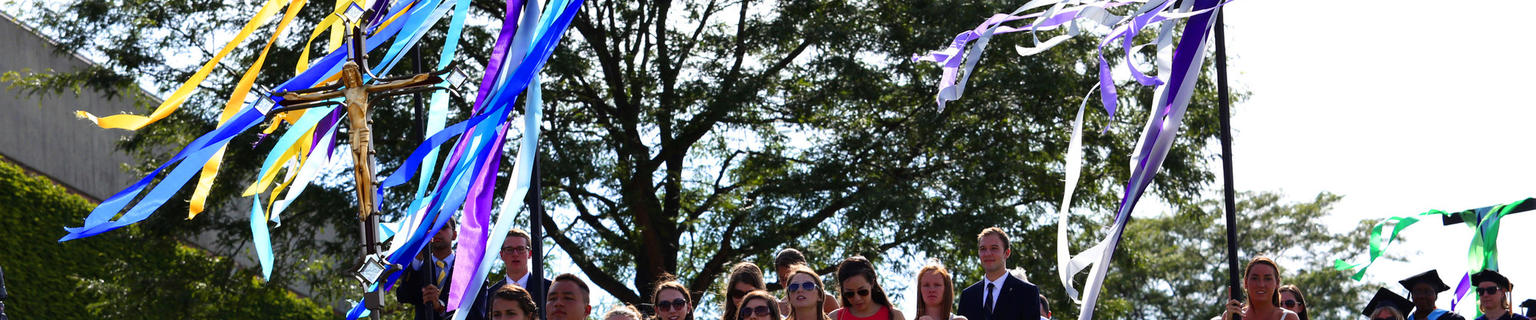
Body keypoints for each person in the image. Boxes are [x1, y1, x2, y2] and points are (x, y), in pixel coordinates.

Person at [957, 227, 1041, 320]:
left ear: (1007, 253)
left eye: (994, 248)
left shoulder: (1027, 292)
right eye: (983, 249)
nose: (987, 253)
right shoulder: (968, 296)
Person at [470, 229, 553, 320]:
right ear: (501, 255)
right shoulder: (489, 296)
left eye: (520, 249)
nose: (515, 254)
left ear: (529, 254)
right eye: (509, 250)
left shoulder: (548, 289)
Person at [396, 219, 459, 320]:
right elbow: (403, 296)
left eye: (443, 227)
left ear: (454, 235)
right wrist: (417, 259)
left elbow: (476, 309)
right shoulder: (419, 266)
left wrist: (440, 307)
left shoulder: (467, 269)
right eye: (432, 227)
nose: (437, 231)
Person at [1220, 256, 1299, 320]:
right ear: (1245, 282)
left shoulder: (1288, 317)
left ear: (1277, 283)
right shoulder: (1230, 315)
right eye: (1255, 278)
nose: (1261, 284)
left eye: (1267, 279)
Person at [830, 256, 906, 320]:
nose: (857, 298)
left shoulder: (894, 316)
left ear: (872, 283)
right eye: (850, 294)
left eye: (862, 292)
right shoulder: (834, 317)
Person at [775, 248, 840, 314]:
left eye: (792, 277)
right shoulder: (780, 308)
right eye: (784, 279)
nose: (789, 283)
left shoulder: (826, 300)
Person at [1399, 270, 1465, 320]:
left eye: (1427, 291)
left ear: (1436, 296)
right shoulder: (1406, 319)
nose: (1422, 296)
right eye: (1417, 292)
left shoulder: (1452, 318)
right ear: (1412, 296)